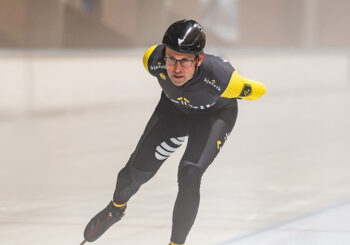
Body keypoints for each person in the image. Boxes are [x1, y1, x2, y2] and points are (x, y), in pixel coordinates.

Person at [81, 19, 266, 245]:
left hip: (213, 116)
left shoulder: (223, 78)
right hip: (174, 112)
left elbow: (259, 91)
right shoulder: (152, 60)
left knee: (189, 174)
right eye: (171, 58)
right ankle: (115, 210)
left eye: (185, 61)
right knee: (132, 174)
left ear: (199, 59)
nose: (177, 69)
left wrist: (239, 90)